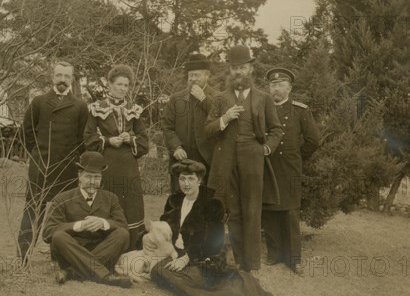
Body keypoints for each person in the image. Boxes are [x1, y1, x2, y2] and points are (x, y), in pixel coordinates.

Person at [147, 159, 279, 296]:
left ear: (199, 180)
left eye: (190, 179)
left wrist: (186, 258)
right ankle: (189, 282)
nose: (185, 184)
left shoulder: (212, 204)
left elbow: (213, 243)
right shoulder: (174, 200)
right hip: (177, 253)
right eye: (182, 179)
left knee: (169, 274)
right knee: (158, 271)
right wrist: (152, 241)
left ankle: (214, 295)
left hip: (204, 258)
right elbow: (164, 227)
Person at [204, 45, 283, 273]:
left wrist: (266, 149)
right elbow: (207, 130)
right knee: (234, 211)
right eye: (235, 68)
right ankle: (239, 261)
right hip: (226, 159)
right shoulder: (220, 98)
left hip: (253, 158)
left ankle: (252, 264)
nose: (239, 72)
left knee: (252, 209)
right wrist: (225, 119)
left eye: (243, 67)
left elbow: (276, 129)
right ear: (230, 71)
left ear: (250, 69)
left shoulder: (263, 99)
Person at [18, 61, 89, 265]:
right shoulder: (39, 102)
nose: (62, 80)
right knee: (33, 210)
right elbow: (26, 134)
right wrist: (39, 154)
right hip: (40, 167)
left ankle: (62, 257)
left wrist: (72, 160)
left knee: (66, 213)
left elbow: (82, 140)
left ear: (72, 79)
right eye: (59, 75)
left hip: (66, 169)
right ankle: (23, 256)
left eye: (67, 76)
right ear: (52, 77)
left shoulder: (80, 106)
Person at [42, 151, 132, 288]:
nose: (92, 182)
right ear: (79, 176)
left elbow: (123, 226)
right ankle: (105, 277)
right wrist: (79, 225)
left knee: (123, 234)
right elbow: (48, 232)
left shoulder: (111, 198)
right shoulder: (62, 198)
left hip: (102, 250)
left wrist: (103, 223)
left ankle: (71, 272)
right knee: (58, 236)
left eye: (97, 177)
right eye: (88, 176)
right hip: (72, 252)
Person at [263, 68, 320, 274]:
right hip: (268, 167)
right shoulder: (263, 108)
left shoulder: (300, 110)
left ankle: (294, 259)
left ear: (289, 87)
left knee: (291, 211)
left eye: (280, 84)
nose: (276, 88)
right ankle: (274, 254)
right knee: (269, 210)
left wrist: (297, 156)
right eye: (272, 85)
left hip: (291, 169)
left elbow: (314, 140)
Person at [84, 64, 148, 248]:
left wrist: (130, 138)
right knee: (108, 202)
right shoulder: (96, 108)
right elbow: (88, 138)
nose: (122, 89)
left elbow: (144, 141)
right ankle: (105, 246)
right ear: (109, 85)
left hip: (129, 168)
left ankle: (131, 247)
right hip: (107, 165)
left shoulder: (134, 110)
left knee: (131, 206)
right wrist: (109, 141)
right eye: (119, 84)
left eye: (126, 85)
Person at [161, 53, 218, 192]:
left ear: (207, 75)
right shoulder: (176, 99)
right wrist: (176, 147)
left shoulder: (218, 97)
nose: (192, 79)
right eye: (190, 75)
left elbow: (221, 120)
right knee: (179, 205)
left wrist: (204, 100)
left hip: (207, 162)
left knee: (205, 205)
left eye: (196, 75)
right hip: (181, 161)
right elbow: (167, 127)